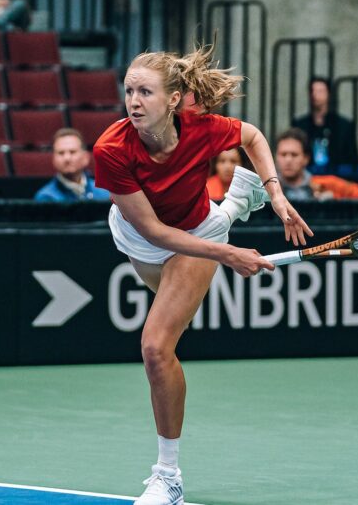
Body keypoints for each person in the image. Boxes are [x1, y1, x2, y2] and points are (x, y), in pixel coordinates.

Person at [90, 48, 312, 505]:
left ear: (173, 100)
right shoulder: (111, 150)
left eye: (145, 91)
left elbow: (252, 137)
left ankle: (166, 477)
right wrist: (229, 253)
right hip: (141, 235)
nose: (133, 100)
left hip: (195, 230)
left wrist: (275, 194)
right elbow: (153, 230)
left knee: (156, 347)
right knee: (174, 317)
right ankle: (234, 207)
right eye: (129, 90)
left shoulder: (200, 127)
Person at [275, 129, 358, 201]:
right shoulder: (264, 188)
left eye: (294, 154)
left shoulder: (328, 184)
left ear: (306, 158)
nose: (288, 160)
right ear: (275, 157)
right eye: (283, 154)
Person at [292, 76, 358, 171]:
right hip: (307, 174)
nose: (315, 95)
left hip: (337, 176)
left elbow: (352, 157)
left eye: (320, 91)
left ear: (329, 94)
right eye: (313, 91)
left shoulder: (343, 125)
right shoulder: (300, 124)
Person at [34, 128, 111, 202]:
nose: (67, 158)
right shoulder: (46, 198)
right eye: (61, 153)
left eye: (72, 152)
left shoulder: (105, 193)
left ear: (85, 157)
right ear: (53, 159)